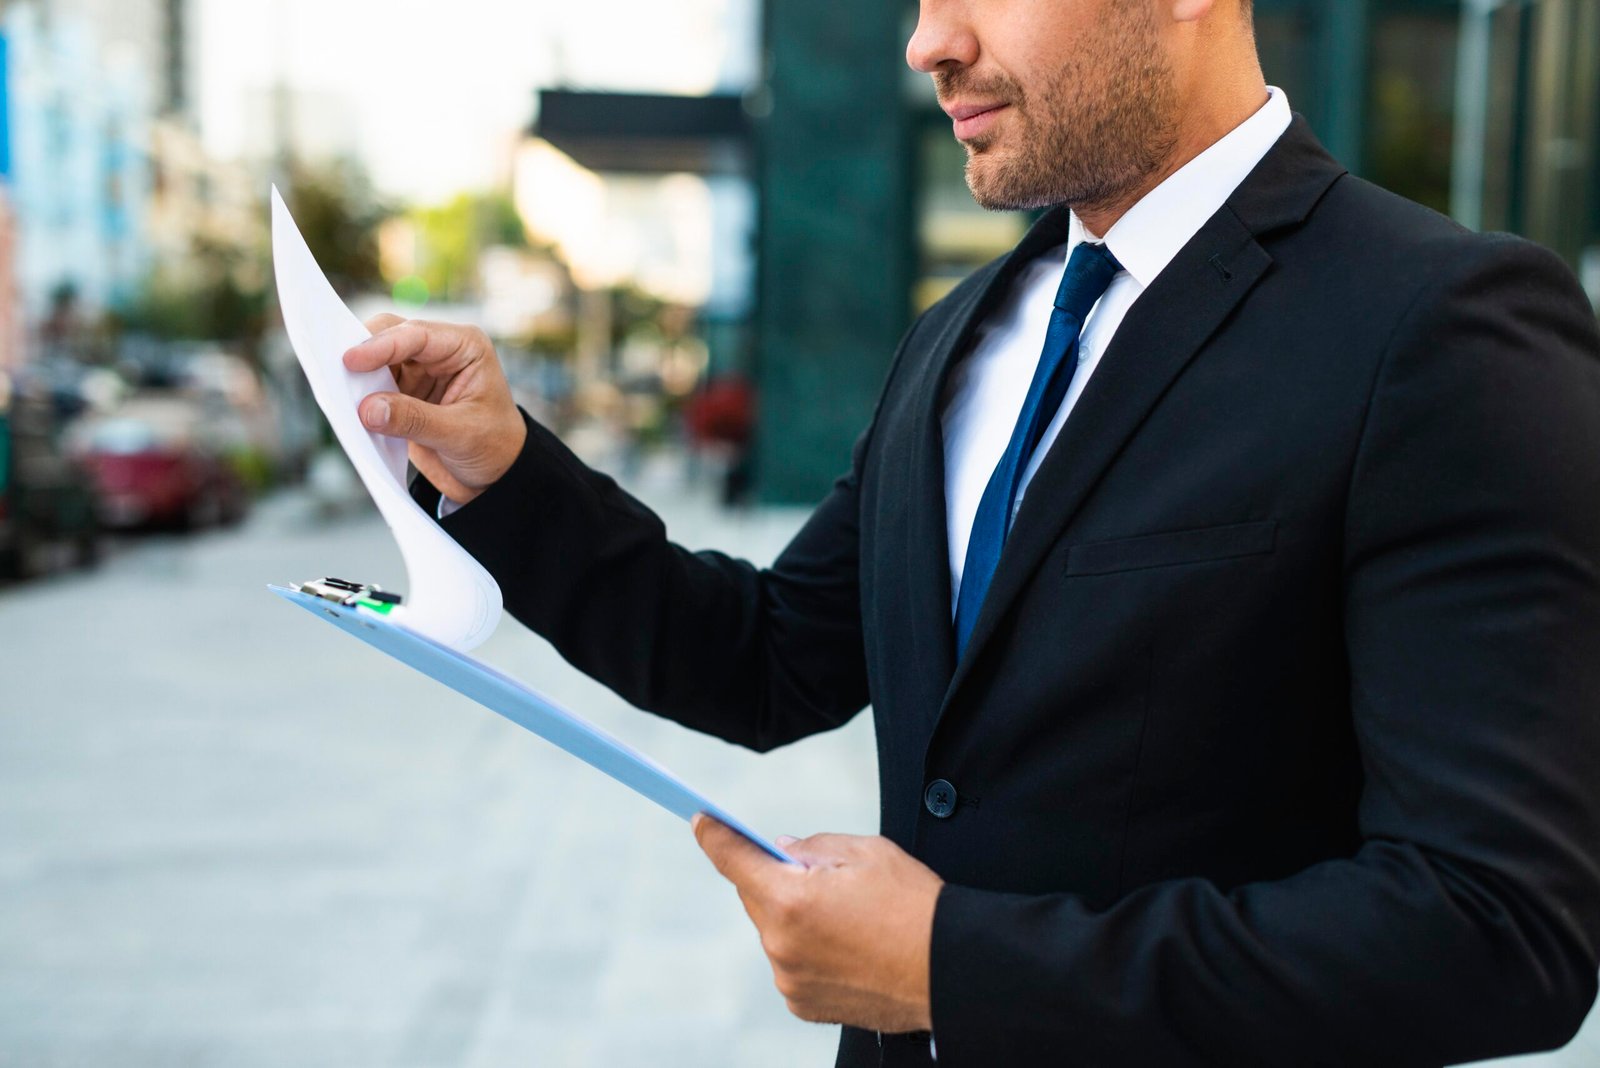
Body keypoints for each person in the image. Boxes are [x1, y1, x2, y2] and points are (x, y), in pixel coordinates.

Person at [342, 0, 1600, 1063]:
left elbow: (1497, 928)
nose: (926, 40)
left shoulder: (1436, 325)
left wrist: (958, 968)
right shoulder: (961, 336)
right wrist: (507, 473)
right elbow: (774, 656)